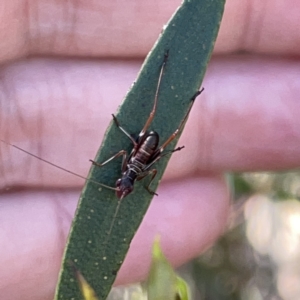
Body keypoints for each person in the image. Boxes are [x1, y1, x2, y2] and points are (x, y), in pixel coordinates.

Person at [0, 1, 299, 299]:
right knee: (168, 138)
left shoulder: (128, 168)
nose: (122, 186)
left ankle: (184, 92)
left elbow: (126, 157)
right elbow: (143, 168)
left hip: (144, 142)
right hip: (148, 149)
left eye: (122, 185)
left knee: (156, 113)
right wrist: (138, 172)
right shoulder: (134, 175)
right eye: (123, 186)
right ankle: (190, 98)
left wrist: (124, 153)